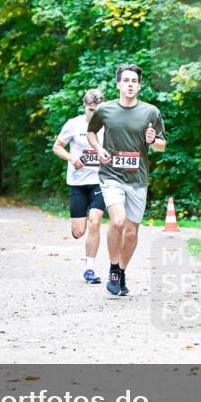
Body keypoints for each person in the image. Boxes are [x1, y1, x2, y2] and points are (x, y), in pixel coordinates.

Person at [87, 64, 166, 296]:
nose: (130, 84)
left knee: (131, 231)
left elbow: (162, 146)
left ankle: (121, 272)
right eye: (126, 80)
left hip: (138, 180)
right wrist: (99, 148)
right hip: (111, 175)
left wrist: (152, 141)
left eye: (134, 81)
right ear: (119, 84)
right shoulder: (105, 110)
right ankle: (113, 269)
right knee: (118, 222)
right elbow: (91, 132)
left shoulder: (151, 112)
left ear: (139, 86)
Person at [53, 89, 107, 284]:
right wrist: (71, 157)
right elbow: (57, 146)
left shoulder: (108, 126)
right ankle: (77, 228)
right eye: (90, 109)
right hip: (77, 183)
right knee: (79, 232)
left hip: (100, 182)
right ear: (84, 106)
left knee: (95, 221)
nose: (93, 114)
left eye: (97, 110)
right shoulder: (73, 124)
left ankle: (89, 269)